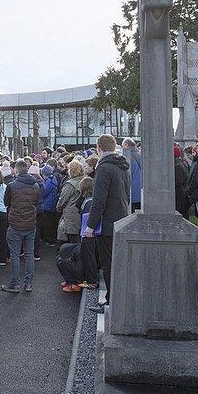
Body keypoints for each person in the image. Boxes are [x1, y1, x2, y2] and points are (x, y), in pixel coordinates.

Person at [84, 134, 131, 314]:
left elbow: (99, 201)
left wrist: (90, 226)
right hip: (120, 217)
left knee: (109, 264)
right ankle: (115, 299)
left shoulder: (104, 168)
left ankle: (111, 302)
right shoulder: (122, 166)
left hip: (107, 223)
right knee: (115, 263)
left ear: (99, 148)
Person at [1, 159, 42, 294]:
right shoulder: (36, 185)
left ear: (17, 171)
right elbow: (38, 204)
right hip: (30, 223)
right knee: (29, 254)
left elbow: (6, 202)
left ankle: (15, 284)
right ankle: (29, 283)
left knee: (15, 255)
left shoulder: (12, 186)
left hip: (15, 223)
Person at [77, 176, 99, 290]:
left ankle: (92, 281)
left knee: (89, 256)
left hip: (88, 232)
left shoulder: (88, 202)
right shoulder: (93, 200)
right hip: (91, 232)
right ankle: (91, 279)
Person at [56, 160, 85, 243]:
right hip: (80, 213)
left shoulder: (70, 184)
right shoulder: (84, 181)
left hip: (71, 214)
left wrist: (58, 207)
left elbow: (63, 199)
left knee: (71, 239)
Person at [39, 164, 60, 245]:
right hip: (51, 205)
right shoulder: (53, 179)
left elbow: (44, 193)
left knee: (47, 224)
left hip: (46, 206)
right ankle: (51, 239)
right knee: (50, 223)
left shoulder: (48, 182)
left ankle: (50, 240)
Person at [122, 138, 142, 211]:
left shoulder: (128, 157)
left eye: (123, 146)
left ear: (126, 145)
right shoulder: (141, 155)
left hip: (132, 194)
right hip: (142, 194)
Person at [174, 144, 191, 218]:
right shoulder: (182, 163)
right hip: (181, 192)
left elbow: (179, 181)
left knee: (179, 212)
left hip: (178, 192)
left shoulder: (178, 165)